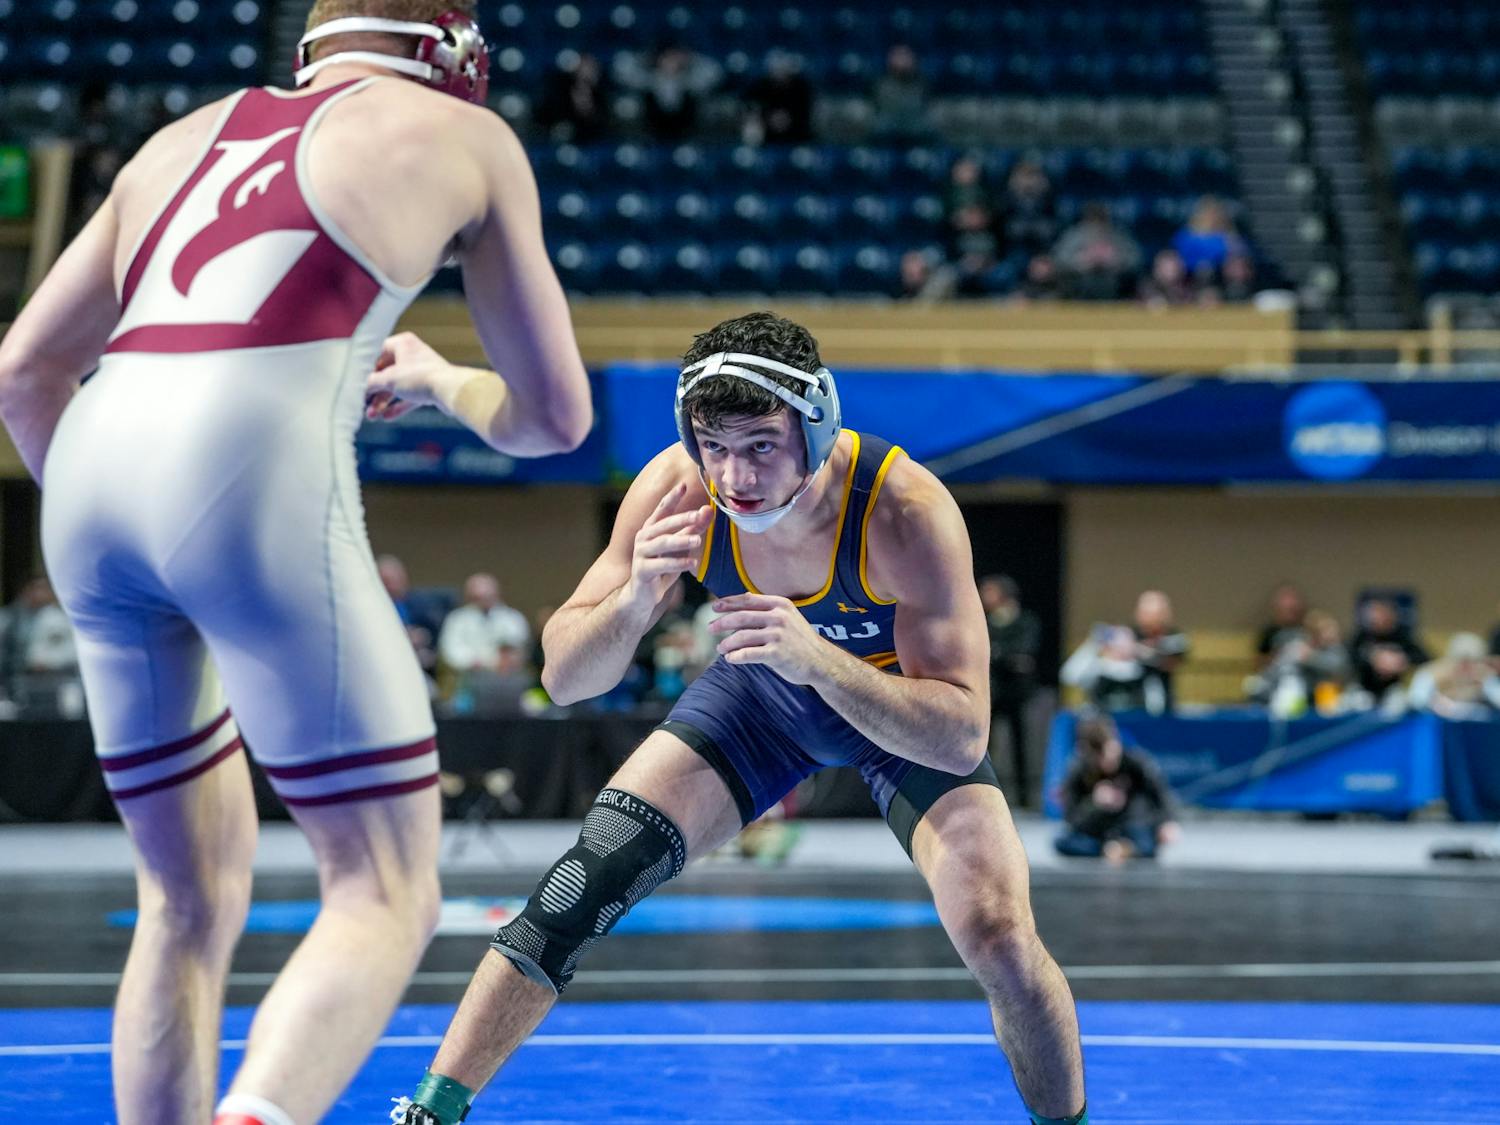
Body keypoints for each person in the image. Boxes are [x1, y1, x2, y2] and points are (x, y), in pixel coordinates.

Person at [0, 4, 593, 1123]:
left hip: (88, 475)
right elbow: (555, 418)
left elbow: (24, 367)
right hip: (242, 465)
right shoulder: (463, 136)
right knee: (382, 887)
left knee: (181, 901)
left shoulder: (179, 138)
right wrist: (440, 380)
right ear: (453, 54)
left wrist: (112, 546)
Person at [390, 311, 1088, 1125]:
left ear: (816, 426)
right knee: (584, 881)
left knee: (998, 933)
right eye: (713, 445)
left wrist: (820, 656)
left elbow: (962, 732)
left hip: (900, 708)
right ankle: (432, 1111)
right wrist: (637, 601)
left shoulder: (902, 509)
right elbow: (566, 675)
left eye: (760, 444)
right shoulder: (678, 488)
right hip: (764, 699)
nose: (735, 475)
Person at [1054, 711, 1179, 863]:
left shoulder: (1135, 762)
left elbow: (1161, 793)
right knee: (1063, 842)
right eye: (1100, 757)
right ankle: (1114, 850)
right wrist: (1094, 804)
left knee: (1145, 841)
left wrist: (1167, 822)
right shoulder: (1079, 771)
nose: (1109, 760)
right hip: (1098, 829)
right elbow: (1072, 819)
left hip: (1132, 824)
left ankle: (1126, 848)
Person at [980, 574, 1042, 807]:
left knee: (1021, 744)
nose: (984, 595)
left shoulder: (1026, 621)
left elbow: (1025, 653)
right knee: (985, 744)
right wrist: (1007, 658)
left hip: (1019, 692)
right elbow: (988, 654)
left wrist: (1000, 655)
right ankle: (986, 793)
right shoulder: (984, 621)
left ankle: (1025, 797)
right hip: (992, 690)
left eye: (989, 591)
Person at [1408, 633, 1500, 719]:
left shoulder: (1484, 675)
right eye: (1462, 662)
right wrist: (1435, 703)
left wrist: (1486, 683)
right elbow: (1417, 701)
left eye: (1473, 662)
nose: (1467, 667)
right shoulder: (1432, 672)